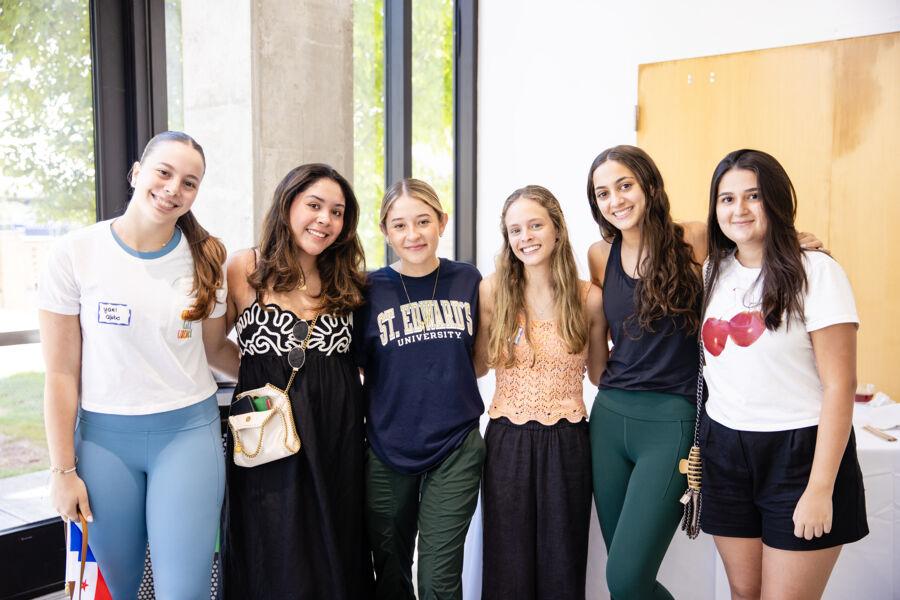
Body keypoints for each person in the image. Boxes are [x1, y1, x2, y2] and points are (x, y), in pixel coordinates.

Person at [40, 131, 237, 598]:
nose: (173, 189)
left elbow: (215, 350)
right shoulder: (75, 253)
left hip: (188, 438)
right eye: (163, 173)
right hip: (103, 444)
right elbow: (61, 375)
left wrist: (291, 379)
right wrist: (62, 472)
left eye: (189, 183)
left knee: (185, 591)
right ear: (136, 173)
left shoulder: (207, 257)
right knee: (117, 590)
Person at [699, 149, 867, 599]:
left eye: (753, 196)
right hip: (725, 448)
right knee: (743, 591)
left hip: (799, 453)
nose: (739, 209)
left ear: (775, 199)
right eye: (727, 198)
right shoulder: (712, 269)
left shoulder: (817, 271)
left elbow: (840, 385)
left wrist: (820, 488)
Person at [220, 163, 372, 599]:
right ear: (288, 204)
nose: (325, 219)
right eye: (315, 205)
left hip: (336, 433)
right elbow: (213, 348)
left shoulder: (348, 278)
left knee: (334, 538)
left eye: (337, 212)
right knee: (272, 539)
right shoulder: (246, 267)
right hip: (268, 433)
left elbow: (360, 363)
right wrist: (261, 376)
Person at [475, 185, 607, 600]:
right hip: (506, 440)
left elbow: (600, 374)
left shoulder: (589, 298)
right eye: (515, 230)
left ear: (557, 230)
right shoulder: (492, 291)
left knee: (562, 562)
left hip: (568, 441)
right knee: (507, 566)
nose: (525, 237)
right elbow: (478, 364)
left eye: (535, 225)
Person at [356, 178, 485, 600]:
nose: (412, 234)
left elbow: (480, 357)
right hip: (387, 447)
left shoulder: (468, 280)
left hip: (455, 445)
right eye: (400, 225)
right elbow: (358, 368)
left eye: (423, 221)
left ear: (442, 222)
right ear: (385, 231)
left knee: (437, 581)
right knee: (390, 574)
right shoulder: (367, 290)